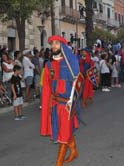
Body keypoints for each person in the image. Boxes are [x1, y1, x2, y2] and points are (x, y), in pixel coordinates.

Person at [40, 35, 80, 166]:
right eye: (52, 44)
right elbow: (46, 86)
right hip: (56, 104)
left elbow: (77, 81)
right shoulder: (49, 65)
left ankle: (58, 163)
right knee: (64, 130)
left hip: (67, 104)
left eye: (56, 43)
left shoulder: (70, 63)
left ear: (62, 46)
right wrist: (47, 105)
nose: (53, 46)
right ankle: (74, 151)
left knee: (64, 133)